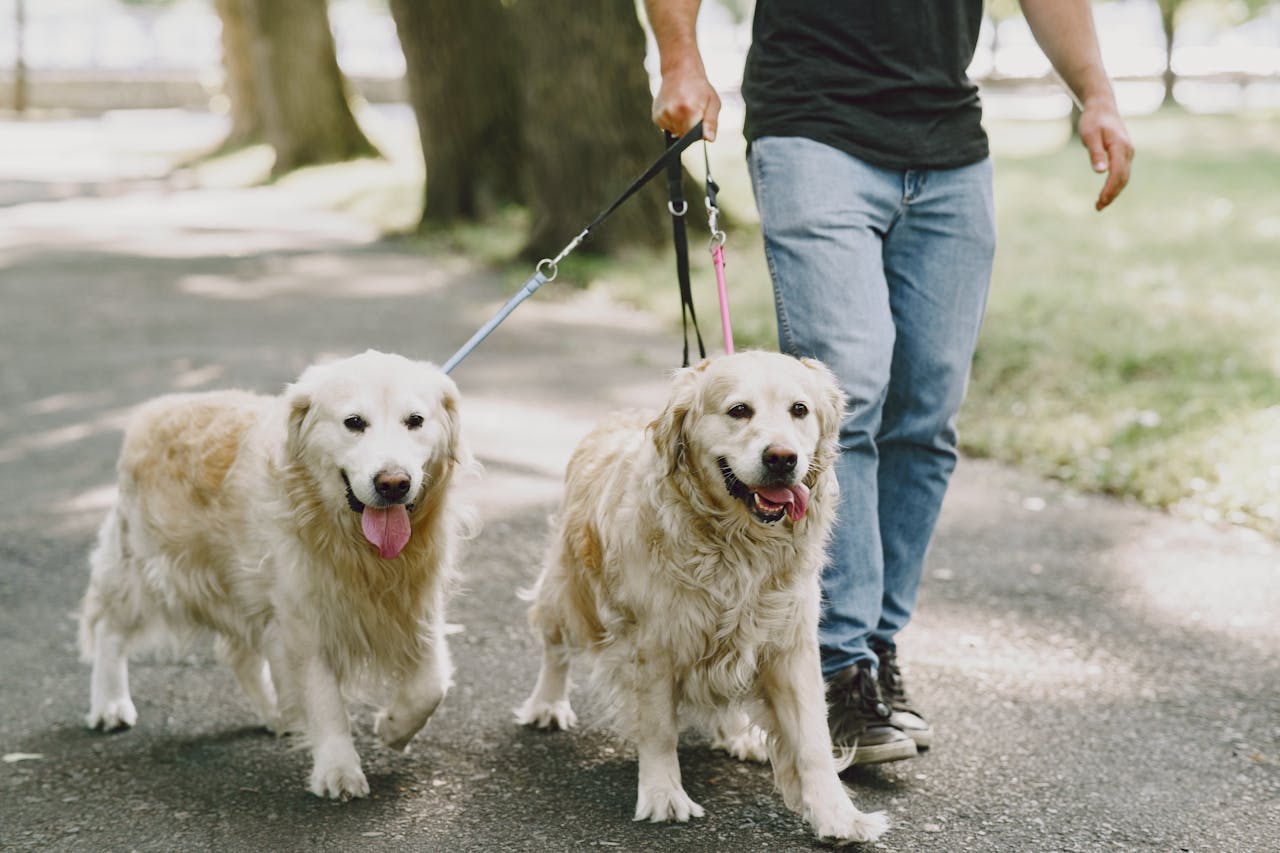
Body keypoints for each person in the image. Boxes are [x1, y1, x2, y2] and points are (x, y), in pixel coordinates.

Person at [643, 0, 1134, 765]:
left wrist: (1096, 91)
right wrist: (680, 57)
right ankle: (836, 667)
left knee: (928, 412)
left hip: (949, 144)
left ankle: (874, 643)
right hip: (813, 127)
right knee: (852, 397)